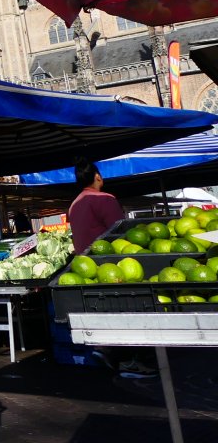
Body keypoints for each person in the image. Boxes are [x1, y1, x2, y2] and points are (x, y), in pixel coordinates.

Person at [67, 158, 154, 378]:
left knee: (104, 311)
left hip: (86, 269)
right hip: (111, 268)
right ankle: (129, 362)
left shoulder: (74, 204)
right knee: (128, 309)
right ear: (98, 176)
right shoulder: (105, 199)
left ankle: (105, 349)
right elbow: (121, 235)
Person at [67, 158, 123, 254]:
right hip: (106, 262)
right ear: (97, 176)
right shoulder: (105, 199)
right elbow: (121, 232)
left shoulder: (72, 206)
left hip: (83, 264)